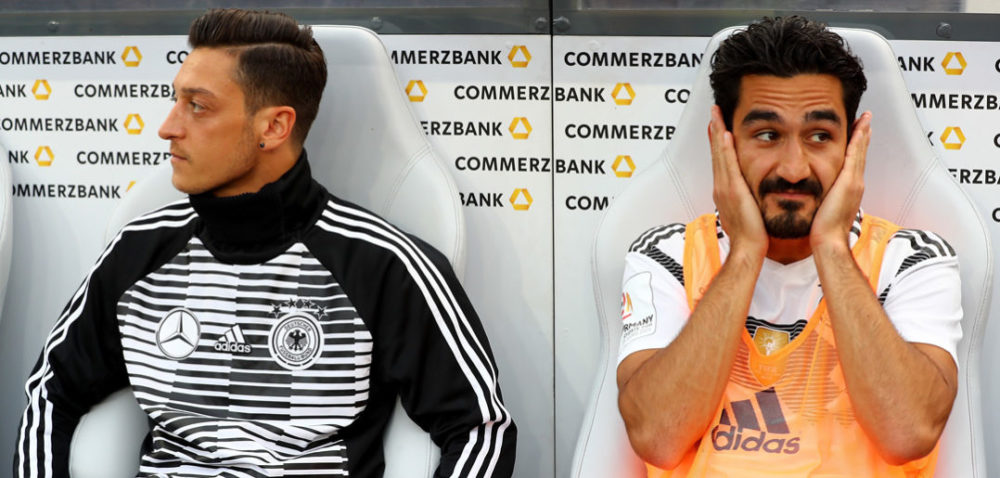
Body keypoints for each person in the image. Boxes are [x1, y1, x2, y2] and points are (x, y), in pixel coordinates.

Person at [15, 8, 515, 478]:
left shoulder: (386, 264)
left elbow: (480, 432)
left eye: (197, 106)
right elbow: (49, 393)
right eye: (176, 101)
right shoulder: (137, 252)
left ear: (274, 127)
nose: (168, 127)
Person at [616, 16, 961, 477]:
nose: (795, 168)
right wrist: (744, 255)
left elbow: (907, 434)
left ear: (853, 144)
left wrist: (833, 248)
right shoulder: (667, 256)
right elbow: (658, 437)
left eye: (820, 136)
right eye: (767, 135)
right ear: (725, 143)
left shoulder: (913, 259)